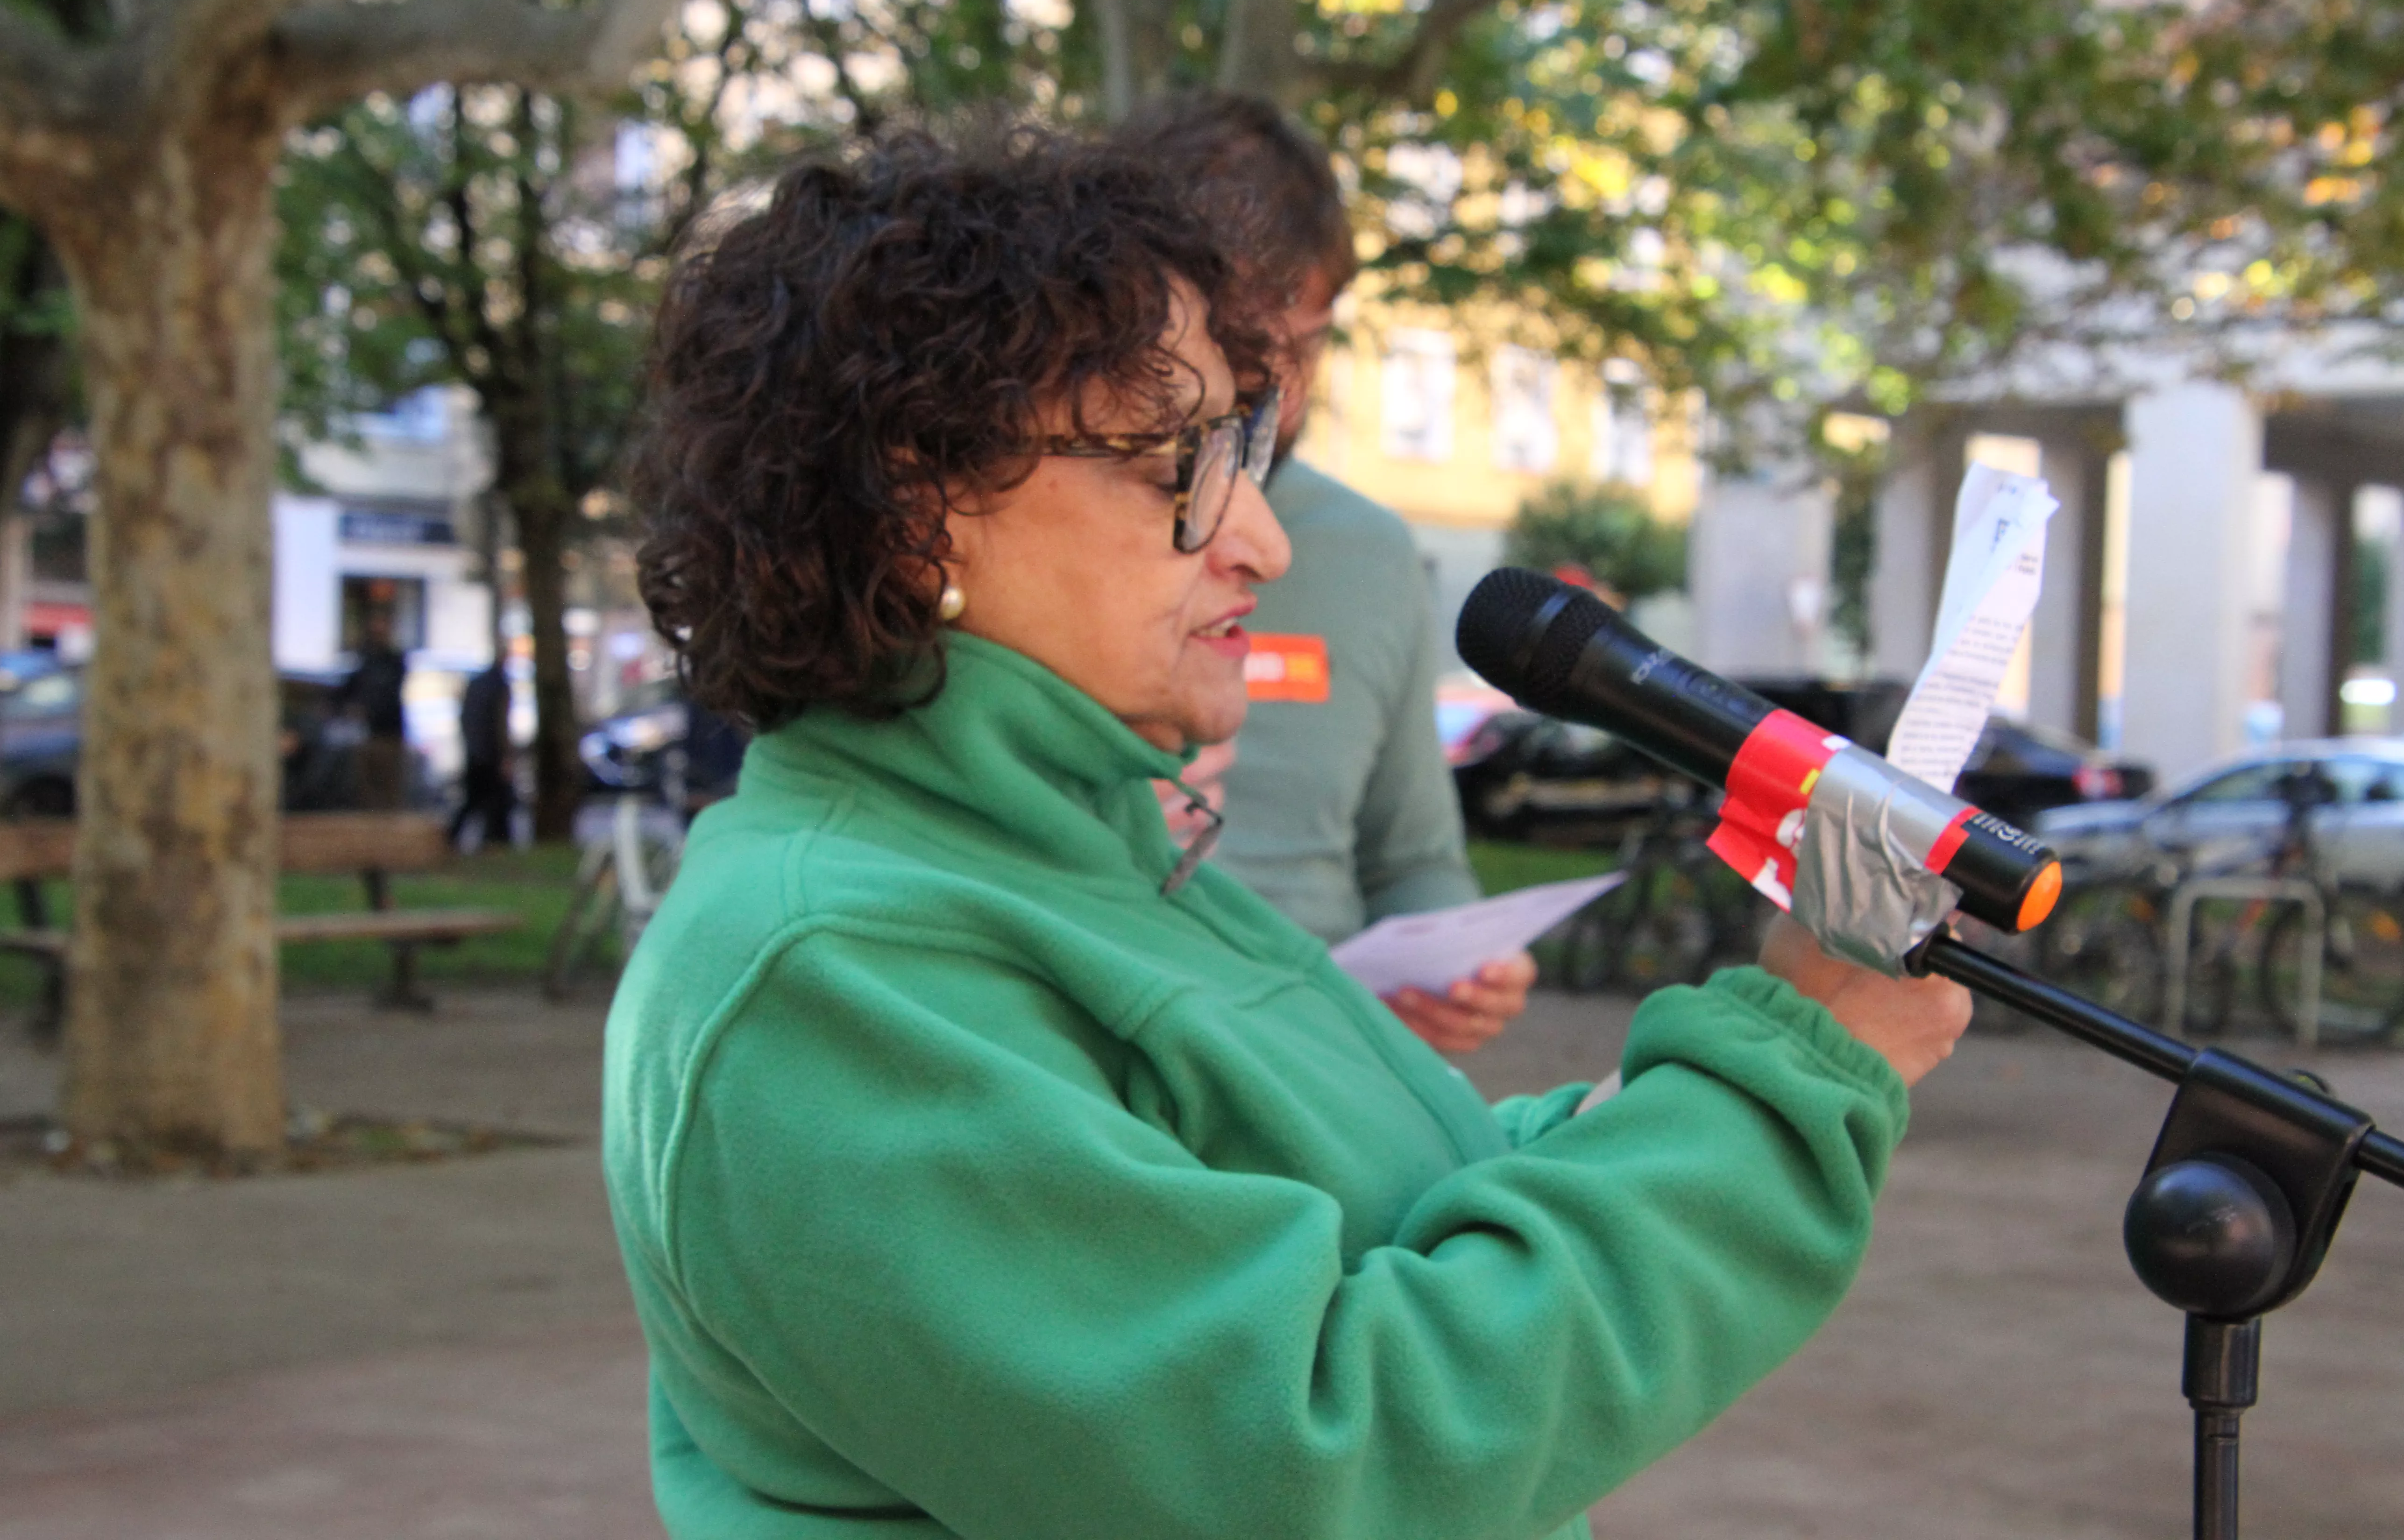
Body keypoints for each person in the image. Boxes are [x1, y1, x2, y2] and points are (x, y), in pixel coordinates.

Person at [607, 127, 1970, 1540]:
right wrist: (1785, 1083)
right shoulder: (827, 976)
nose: (1260, 536)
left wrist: (1704, 1077)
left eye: (1244, 449)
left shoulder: (1089, 855)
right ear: (915, 508)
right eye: (1175, 466)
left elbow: (1379, 1195)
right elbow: (1316, 1460)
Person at [1118, 93, 1527, 1054]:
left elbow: (1417, 858)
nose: (1284, 388)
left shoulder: (1371, 553)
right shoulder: (1060, 530)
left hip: (1336, 1070)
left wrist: (1459, 961)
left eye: (1310, 344)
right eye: (1249, 346)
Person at [339, 610, 410, 809]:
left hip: (388, 732)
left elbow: (387, 691)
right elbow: (350, 688)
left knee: (388, 783)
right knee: (367, 786)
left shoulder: (394, 661)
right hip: (368, 732)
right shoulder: (365, 660)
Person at [447, 657, 515, 849]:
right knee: (495, 802)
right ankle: (494, 842)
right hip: (491, 754)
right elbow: (502, 725)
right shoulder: (499, 686)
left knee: (474, 801)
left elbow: (466, 720)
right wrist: (506, 756)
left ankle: (461, 839)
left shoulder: (477, 685)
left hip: (477, 753)